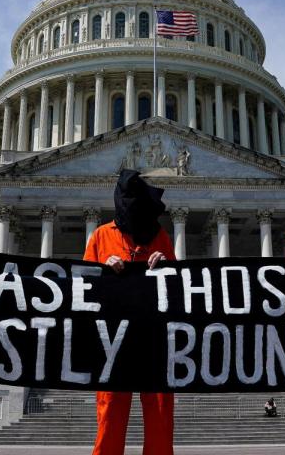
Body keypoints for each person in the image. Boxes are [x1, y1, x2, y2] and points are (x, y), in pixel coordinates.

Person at [84, 169, 176, 455]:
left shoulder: (160, 237)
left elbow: (180, 291)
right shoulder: (101, 237)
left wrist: (168, 266)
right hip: (114, 341)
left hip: (154, 340)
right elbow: (83, 291)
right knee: (110, 412)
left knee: (160, 415)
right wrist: (103, 271)